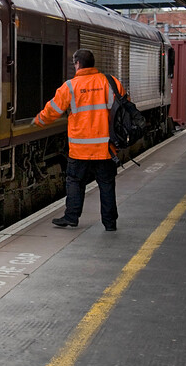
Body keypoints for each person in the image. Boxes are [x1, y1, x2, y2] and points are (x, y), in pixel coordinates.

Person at [32, 49, 123, 231]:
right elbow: (123, 107)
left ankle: (72, 217)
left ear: (78, 64)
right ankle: (110, 223)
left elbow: (54, 110)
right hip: (105, 148)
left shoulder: (70, 87)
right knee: (106, 185)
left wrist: (38, 121)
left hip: (80, 149)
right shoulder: (110, 82)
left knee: (75, 182)